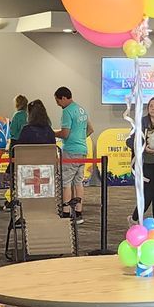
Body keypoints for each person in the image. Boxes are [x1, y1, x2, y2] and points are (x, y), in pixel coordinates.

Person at [53, 85, 92, 221]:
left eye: (58, 101)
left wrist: (52, 133)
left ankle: (66, 212)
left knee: (66, 182)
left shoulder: (67, 112)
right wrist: (80, 138)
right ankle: (79, 213)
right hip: (82, 150)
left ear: (63, 98)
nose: (58, 104)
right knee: (78, 182)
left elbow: (65, 133)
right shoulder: (81, 109)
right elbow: (90, 129)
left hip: (70, 150)